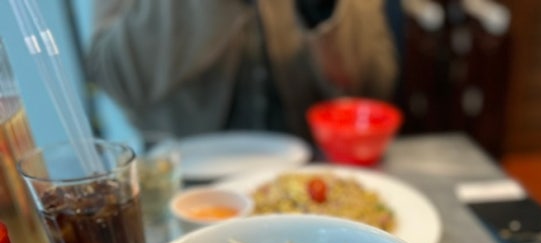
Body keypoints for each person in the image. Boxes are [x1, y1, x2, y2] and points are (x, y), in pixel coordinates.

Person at [86, 0, 399, 139]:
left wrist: (320, 8)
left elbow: (374, 87)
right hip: (190, 187)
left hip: (320, 178)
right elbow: (118, 77)